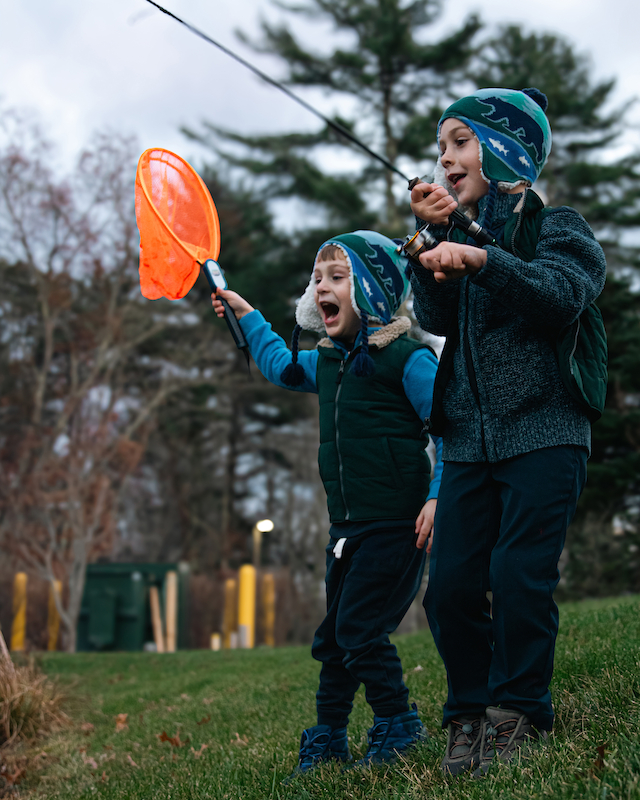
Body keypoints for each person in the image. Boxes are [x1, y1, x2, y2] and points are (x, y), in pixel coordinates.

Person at [408, 87, 606, 776]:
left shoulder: (561, 227)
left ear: (506, 148)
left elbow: (560, 297)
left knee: (519, 577)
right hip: (467, 441)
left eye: (460, 141)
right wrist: (430, 246)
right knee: (453, 588)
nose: (445, 157)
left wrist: (484, 259)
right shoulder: (459, 229)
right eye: (441, 148)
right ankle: (467, 713)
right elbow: (434, 311)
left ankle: (519, 710)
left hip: (546, 431)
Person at [211, 230, 443, 775]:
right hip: (346, 530)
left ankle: (400, 725)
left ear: (373, 289)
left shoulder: (409, 360)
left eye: (337, 277)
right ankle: (329, 738)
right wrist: (245, 312)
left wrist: (437, 498)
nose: (322, 289)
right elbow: (274, 362)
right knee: (335, 639)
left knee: (360, 632)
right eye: (317, 280)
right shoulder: (327, 363)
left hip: (397, 525)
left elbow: (448, 433)